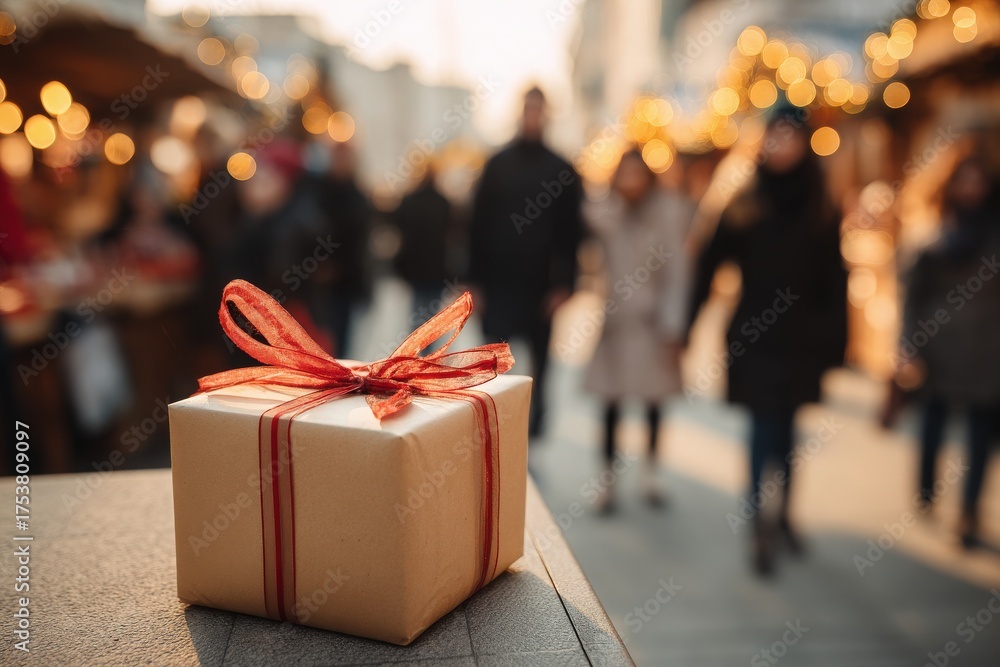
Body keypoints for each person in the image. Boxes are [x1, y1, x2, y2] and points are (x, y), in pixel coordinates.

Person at [685, 107, 847, 575]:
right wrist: (688, 327)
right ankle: (760, 520)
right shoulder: (742, 197)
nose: (782, 146)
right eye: (774, 136)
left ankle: (785, 514)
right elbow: (709, 264)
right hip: (753, 334)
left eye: (790, 137)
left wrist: (836, 343)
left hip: (802, 338)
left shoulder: (820, 201)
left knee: (789, 432)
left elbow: (834, 279)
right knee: (760, 429)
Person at [468, 87, 584, 436]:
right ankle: (492, 426)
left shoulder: (562, 170)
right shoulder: (496, 165)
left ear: (546, 113)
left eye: (539, 109)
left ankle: (531, 432)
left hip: (541, 287)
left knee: (539, 366)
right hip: (498, 284)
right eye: (528, 108)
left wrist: (566, 284)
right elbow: (476, 225)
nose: (533, 115)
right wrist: (472, 281)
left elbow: (572, 233)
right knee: (492, 362)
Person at [584, 149, 694, 511]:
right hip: (617, 323)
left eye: (637, 174)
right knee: (610, 402)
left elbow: (677, 274)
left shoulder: (668, 213)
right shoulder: (608, 213)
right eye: (624, 174)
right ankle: (608, 480)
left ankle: (651, 473)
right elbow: (586, 214)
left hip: (652, 324)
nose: (630, 182)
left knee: (653, 400)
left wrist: (673, 326)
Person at [901, 156, 1000, 549]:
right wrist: (908, 344)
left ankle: (969, 511)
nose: (972, 189)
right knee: (933, 426)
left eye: (979, 180)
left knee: (980, 436)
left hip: (988, 352)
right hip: (938, 348)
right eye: (965, 180)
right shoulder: (934, 231)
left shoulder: (994, 233)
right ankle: (926, 490)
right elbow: (912, 296)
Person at [393, 166, 455, 321]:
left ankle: (420, 342)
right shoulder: (443, 202)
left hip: (416, 266)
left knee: (418, 309)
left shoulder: (410, 201)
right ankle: (430, 341)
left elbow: (401, 232)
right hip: (437, 266)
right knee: (434, 313)